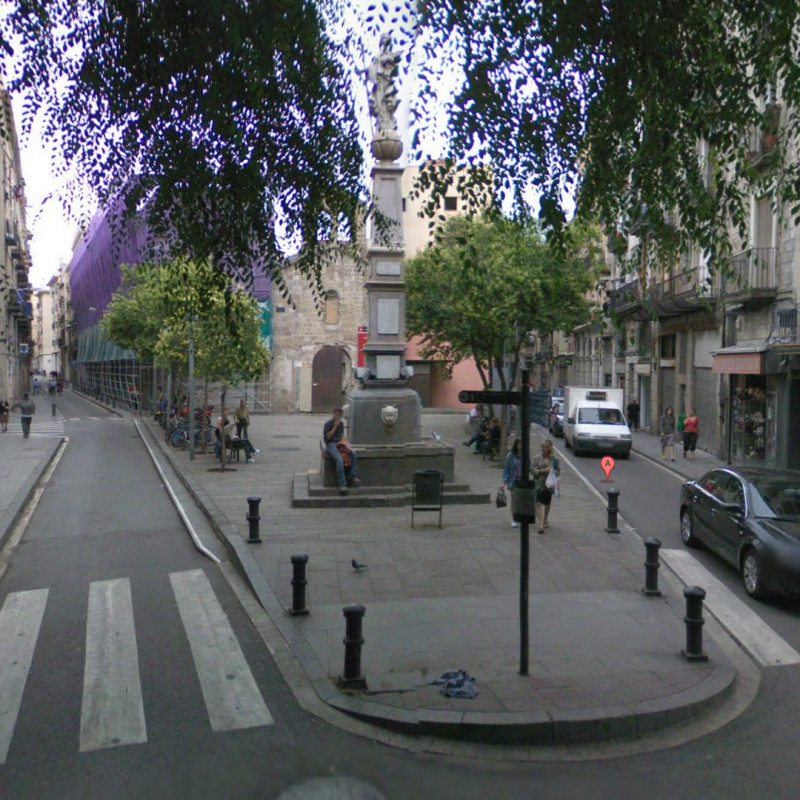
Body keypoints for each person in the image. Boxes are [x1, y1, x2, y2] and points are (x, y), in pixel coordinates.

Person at [323, 408, 359, 494]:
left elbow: (342, 435)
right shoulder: (328, 424)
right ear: (333, 414)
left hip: (339, 442)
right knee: (339, 460)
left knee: (353, 453)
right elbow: (327, 437)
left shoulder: (342, 424)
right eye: (336, 415)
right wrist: (335, 427)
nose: (338, 417)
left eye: (339, 416)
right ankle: (342, 484)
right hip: (330, 444)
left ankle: (352, 474)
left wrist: (345, 444)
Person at [532, 439, 559, 534]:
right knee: (538, 502)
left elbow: (558, 472)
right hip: (538, 483)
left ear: (549, 448)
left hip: (549, 484)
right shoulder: (537, 458)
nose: (543, 448)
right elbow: (531, 470)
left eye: (545, 447)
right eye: (542, 446)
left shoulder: (554, 460)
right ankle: (540, 524)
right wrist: (542, 471)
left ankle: (545, 519)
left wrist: (552, 471)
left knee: (547, 503)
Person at [501, 438, 523, 528]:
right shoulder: (511, 455)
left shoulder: (525, 455)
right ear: (516, 445)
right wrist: (504, 481)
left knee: (521, 500)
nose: (521, 446)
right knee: (514, 500)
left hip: (523, 480)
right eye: (519, 444)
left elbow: (529, 466)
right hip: (513, 480)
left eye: (522, 444)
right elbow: (506, 468)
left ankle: (520, 516)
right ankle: (514, 518)